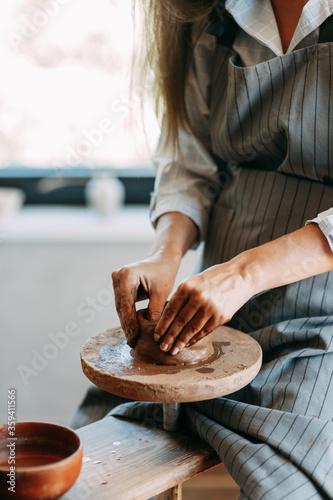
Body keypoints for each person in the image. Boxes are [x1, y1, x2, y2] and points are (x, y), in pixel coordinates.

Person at [73, 1, 333, 498]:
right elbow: (191, 161)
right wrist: (167, 254)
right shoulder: (207, 10)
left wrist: (244, 275)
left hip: (323, 318)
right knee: (81, 464)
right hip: (219, 308)